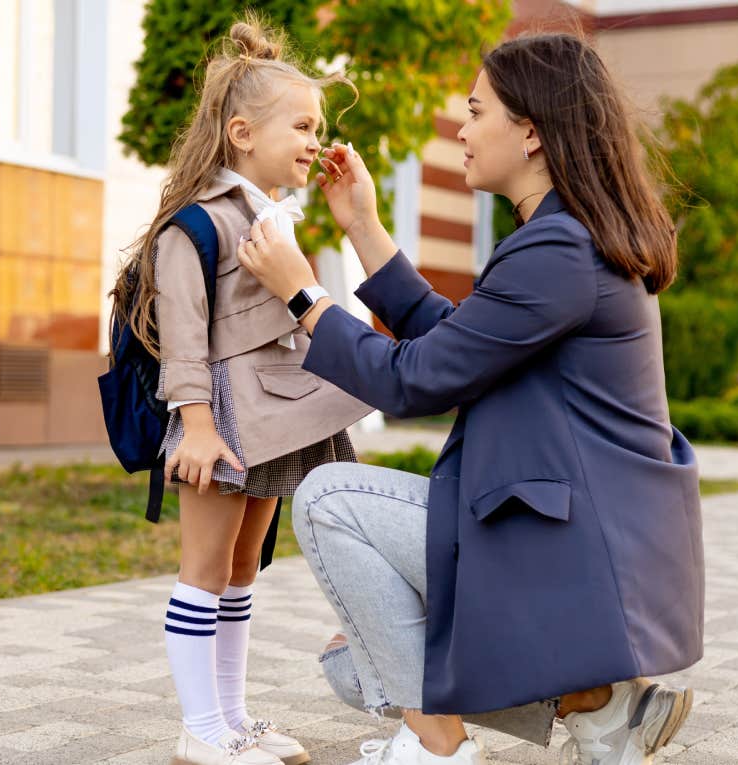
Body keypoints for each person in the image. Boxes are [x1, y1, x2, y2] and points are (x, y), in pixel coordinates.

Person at [235, 32, 703, 765]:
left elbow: (413, 380)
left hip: (571, 552)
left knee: (328, 502)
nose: (461, 127)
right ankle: (596, 705)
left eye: (477, 110)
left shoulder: (559, 252)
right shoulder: (564, 240)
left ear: (531, 134)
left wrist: (302, 292)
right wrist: (363, 225)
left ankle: (439, 745)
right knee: (357, 659)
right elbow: (457, 349)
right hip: (581, 545)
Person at [109, 16, 373, 765]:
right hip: (219, 418)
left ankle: (233, 717)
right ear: (240, 134)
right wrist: (195, 424)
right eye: (301, 124)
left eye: (317, 125)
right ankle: (200, 730)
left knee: (241, 567)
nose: (314, 139)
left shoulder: (269, 219)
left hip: (271, 417)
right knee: (204, 568)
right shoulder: (192, 228)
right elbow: (187, 340)